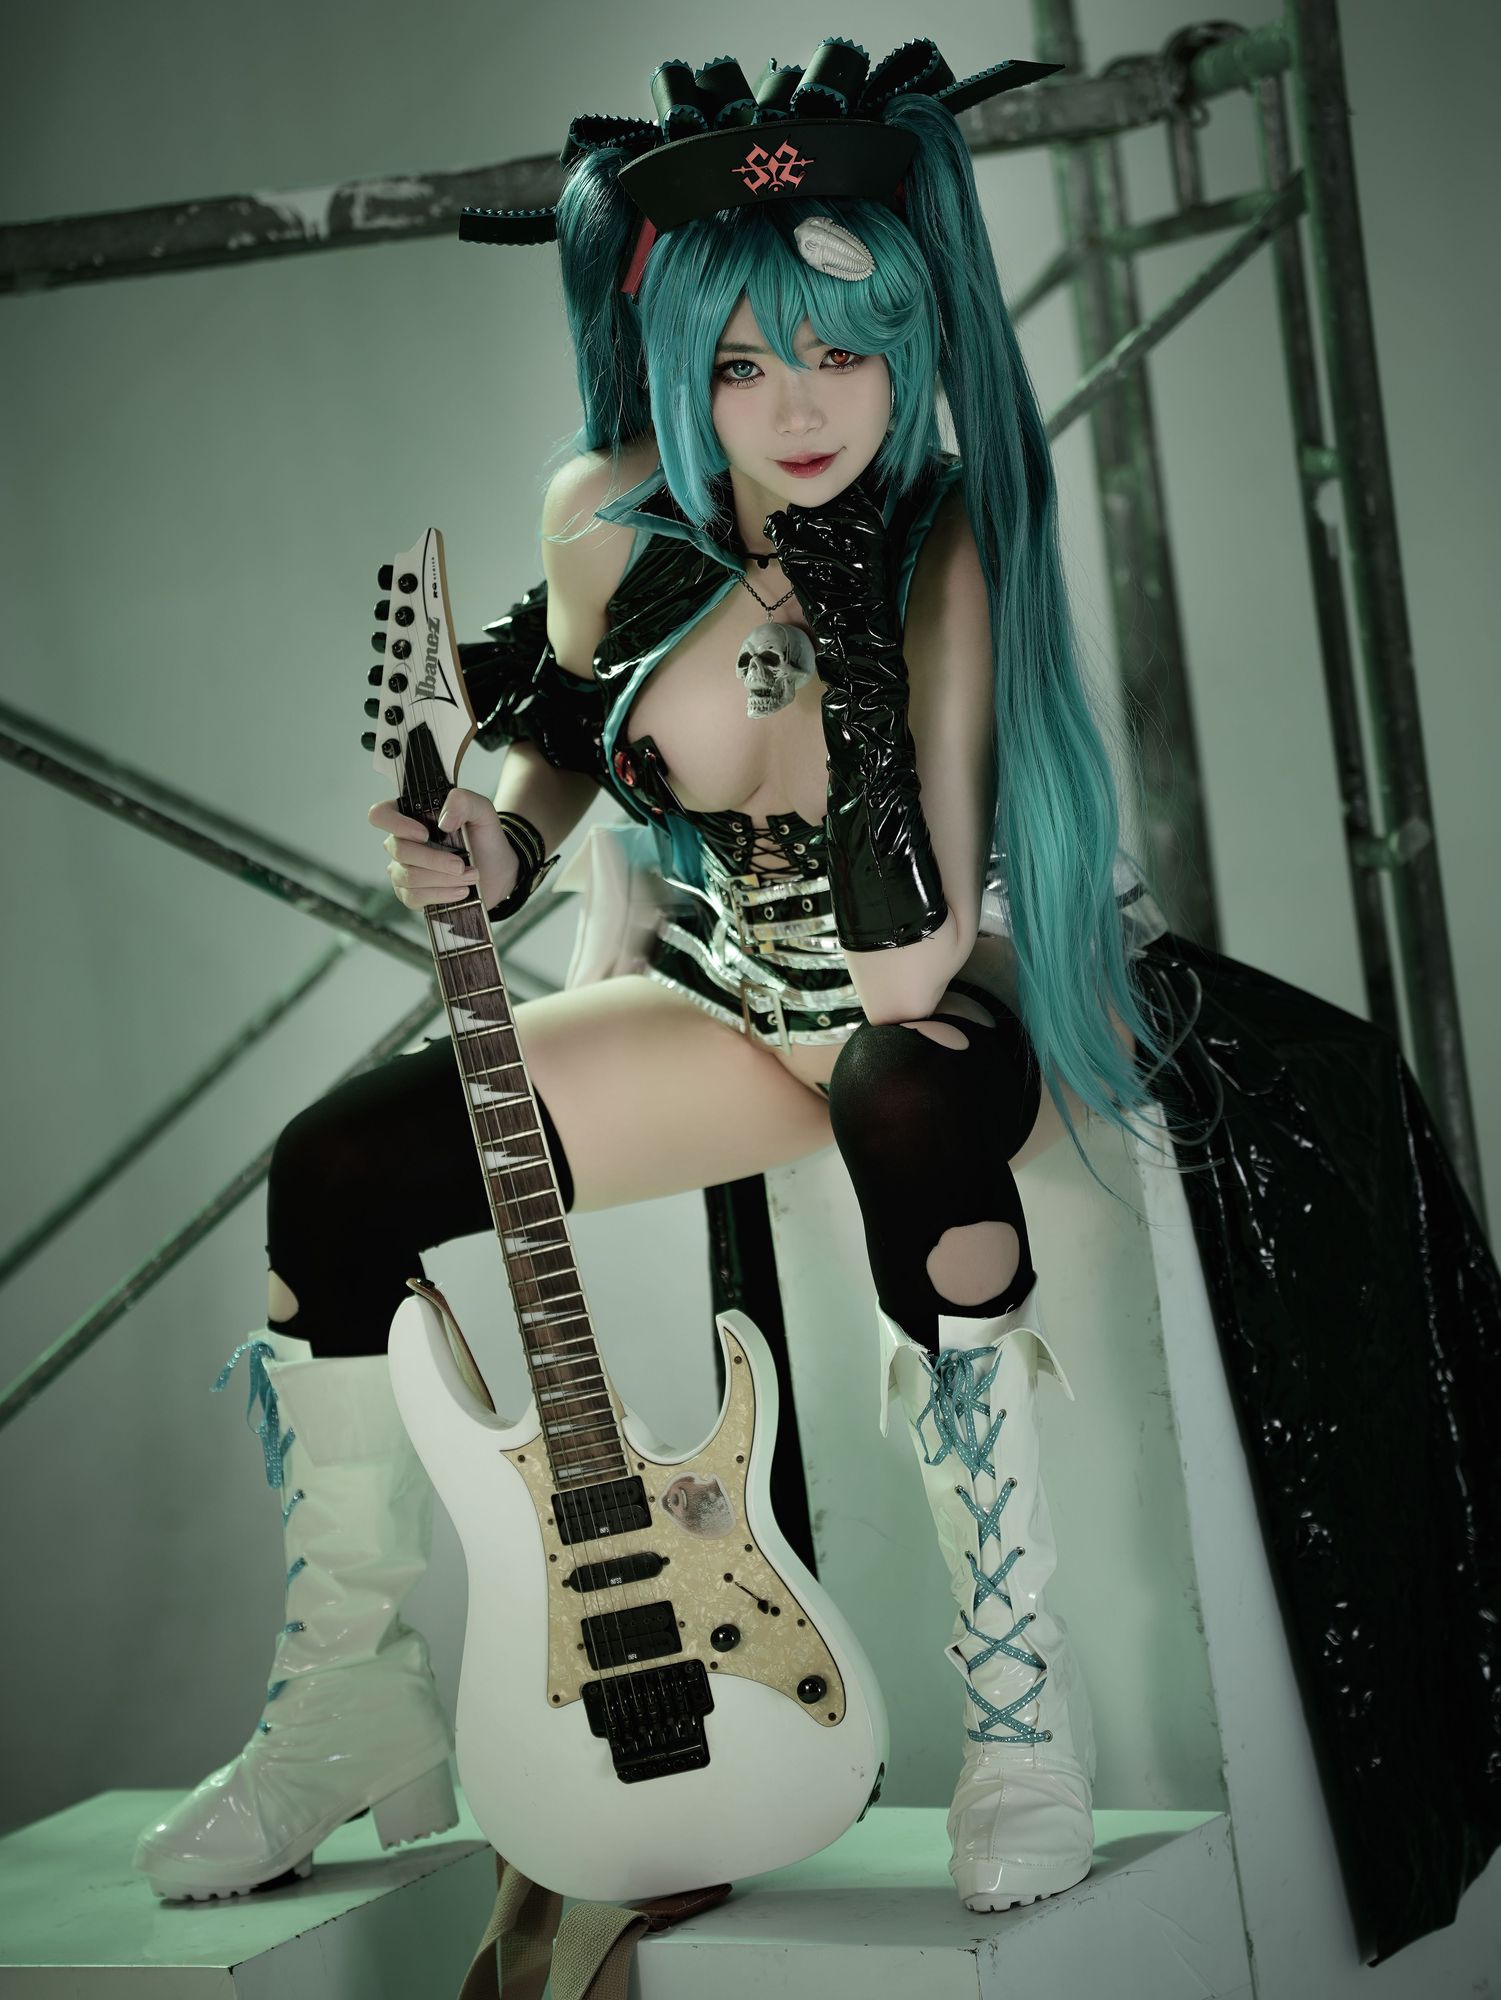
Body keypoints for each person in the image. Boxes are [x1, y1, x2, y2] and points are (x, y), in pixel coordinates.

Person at [134, 39, 1188, 1915]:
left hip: (945, 980)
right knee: (339, 1169)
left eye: (841, 351)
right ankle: (346, 1700)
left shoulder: (945, 538)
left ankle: (1020, 1712)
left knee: (901, 1093)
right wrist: (494, 849)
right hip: (728, 1000)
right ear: (676, 360)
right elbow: (555, 737)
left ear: (913, 337)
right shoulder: (606, 513)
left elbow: (905, 964)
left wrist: (849, 615)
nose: (798, 407)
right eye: (739, 364)